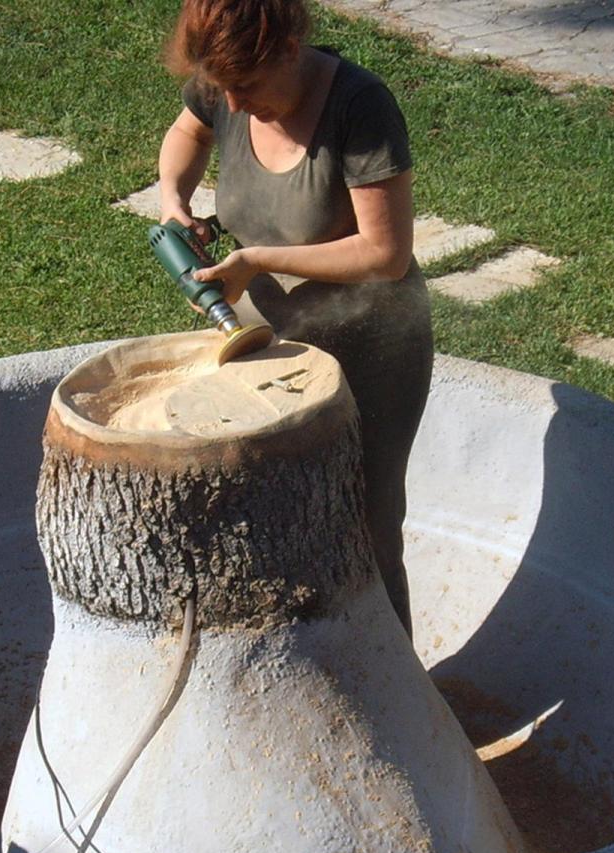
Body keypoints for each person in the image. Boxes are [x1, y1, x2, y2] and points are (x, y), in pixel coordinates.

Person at [158, 0, 433, 637]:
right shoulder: (227, 83)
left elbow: (386, 255)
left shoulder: (359, 106)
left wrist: (254, 260)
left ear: (287, 49)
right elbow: (186, 134)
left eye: (245, 88)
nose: (229, 105)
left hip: (371, 348)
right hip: (263, 345)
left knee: (365, 522)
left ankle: (397, 694)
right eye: (218, 89)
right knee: (261, 511)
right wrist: (174, 197)